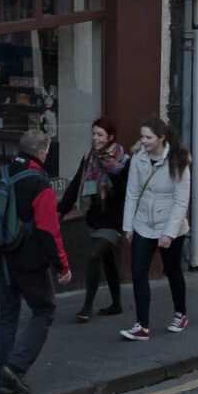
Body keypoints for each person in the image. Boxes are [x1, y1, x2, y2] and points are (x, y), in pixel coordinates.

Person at [0, 126, 71, 394]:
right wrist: (62, 266)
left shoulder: (0, 173)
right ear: (42, 152)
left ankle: (5, 378)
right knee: (44, 310)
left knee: (6, 314)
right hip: (30, 260)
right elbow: (48, 230)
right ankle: (15, 366)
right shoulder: (40, 183)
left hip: (2, 255)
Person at [120, 117, 191, 341]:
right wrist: (128, 226)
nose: (144, 141)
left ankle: (180, 313)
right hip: (143, 224)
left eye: (148, 137)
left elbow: (181, 201)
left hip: (169, 227)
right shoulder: (138, 159)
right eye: (142, 137)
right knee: (138, 272)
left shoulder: (178, 161)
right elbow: (132, 193)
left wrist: (169, 233)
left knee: (172, 271)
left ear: (161, 138)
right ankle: (142, 325)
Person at [59, 118, 129, 320]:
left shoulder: (123, 160)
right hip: (95, 217)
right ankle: (116, 304)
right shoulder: (90, 157)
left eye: (100, 134)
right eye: (94, 134)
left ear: (110, 137)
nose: (95, 138)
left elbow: (126, 192)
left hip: (114, 219)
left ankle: (86, 308)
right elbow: (76, 184)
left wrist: (114, 171)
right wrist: (61, 210)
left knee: (94, 255)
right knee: (108, 261)